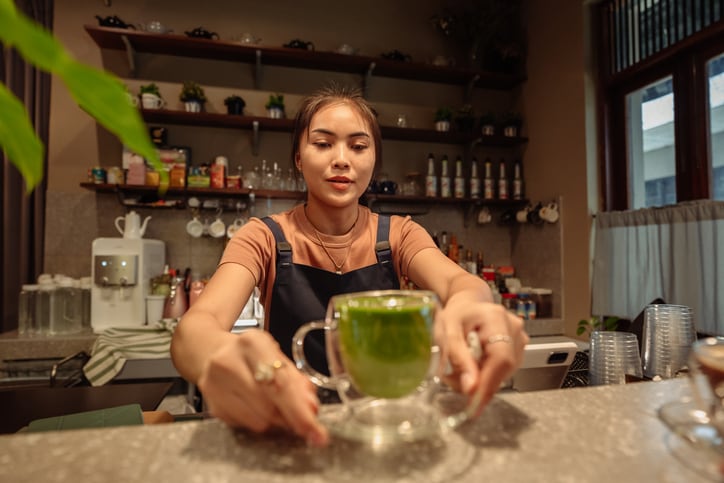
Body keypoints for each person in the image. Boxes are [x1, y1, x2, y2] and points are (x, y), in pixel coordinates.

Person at [170, 84, 528, 447]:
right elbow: (195, 328)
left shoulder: (400, 234)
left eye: (358, 146)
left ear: (373, 160)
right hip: (294, 426)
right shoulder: (262, 237)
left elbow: (462, 285)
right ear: (298, 157)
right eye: (323, 144)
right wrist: (216, 355)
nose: (341, 159)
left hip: (383, 422)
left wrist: (469, 308)